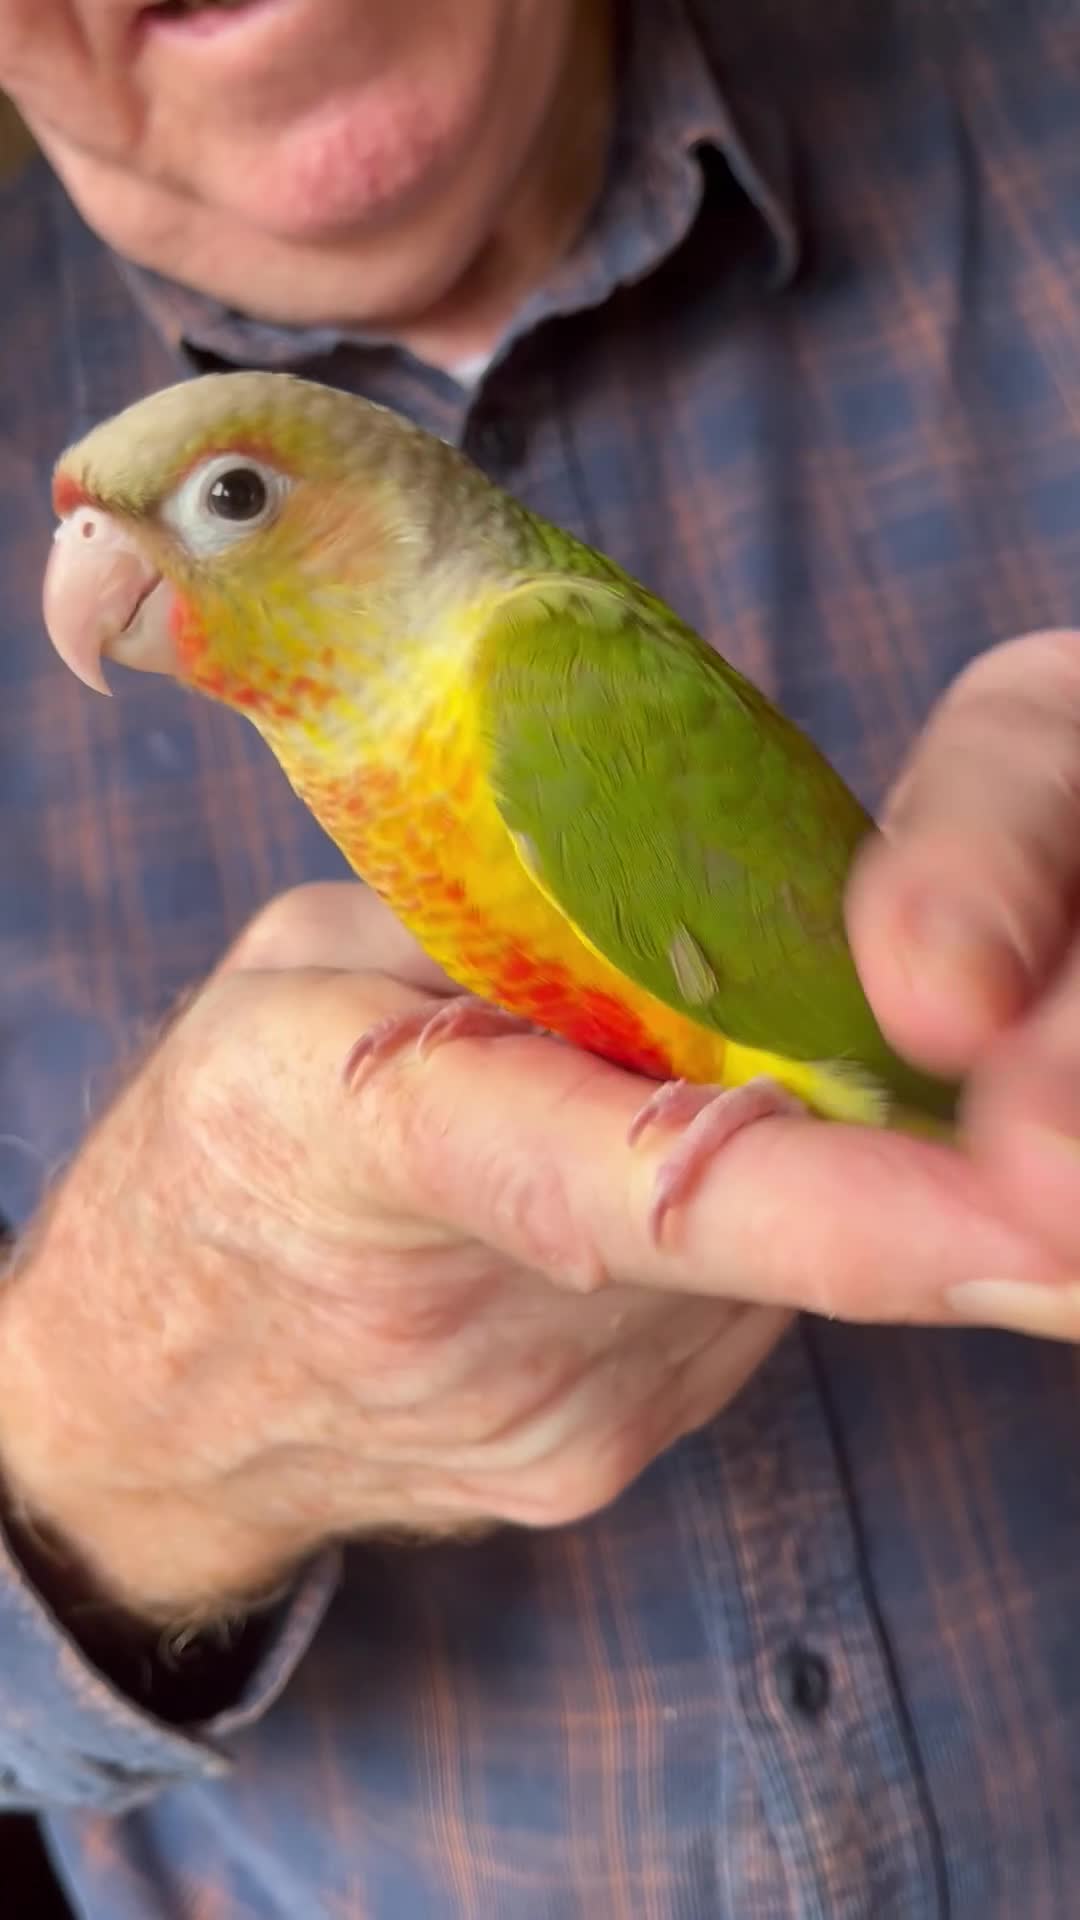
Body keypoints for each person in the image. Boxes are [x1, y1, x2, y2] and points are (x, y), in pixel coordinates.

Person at [2, 0, 1080, 1913]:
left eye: (230, 500)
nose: (109, 573)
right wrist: (113, 1419)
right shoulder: (360, 737)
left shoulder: (537, 674)